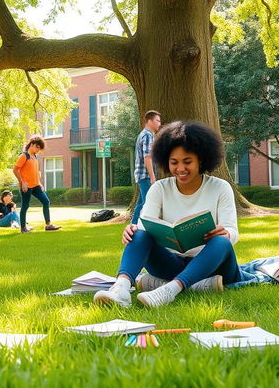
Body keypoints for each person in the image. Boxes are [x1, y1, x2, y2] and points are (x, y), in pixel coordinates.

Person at [94, 120, 241, 308]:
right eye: (174, 162)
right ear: (166, 161)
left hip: (212, 265)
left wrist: (226, 233)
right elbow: (144, 226)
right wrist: (132, 231)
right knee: (138, 233)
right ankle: (121, 289)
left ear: (201, 160)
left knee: (222, 241)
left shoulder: (220, 187)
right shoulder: (160, 189)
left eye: (187, 162)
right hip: (171, 264)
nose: (180, 169)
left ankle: (169, 291)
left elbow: (233, 232)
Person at [12, 135, 61, 233]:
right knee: (25, 206)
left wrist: (39, 183)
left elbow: (35, 171)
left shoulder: (35, 156)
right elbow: (15, 170)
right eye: (38, 147)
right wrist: (22, 182)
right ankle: (23, 228)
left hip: (36, 185)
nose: (39, 150)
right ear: (32, 144)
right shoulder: (24, 156)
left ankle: (48, 225)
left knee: (46, 201)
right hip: (26, 186)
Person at [131, 110, 162, 224]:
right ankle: (147, 227)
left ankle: (133, 226)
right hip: (145, 175)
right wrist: (153, 177)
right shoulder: (148, 135)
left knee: (141, 203)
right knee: (149, 203)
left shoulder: (144, 134)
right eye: (157, 121)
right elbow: (147, 157)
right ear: (149, 121)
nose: (159, 123)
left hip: (142, 175)